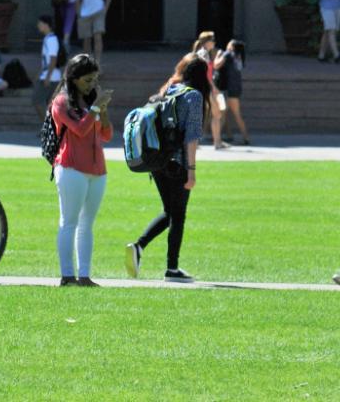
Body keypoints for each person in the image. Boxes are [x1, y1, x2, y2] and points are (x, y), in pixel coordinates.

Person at [125, 53, 209, 284]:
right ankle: (171, 268)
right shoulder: (193, 96)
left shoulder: (167, 90)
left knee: (169, 211)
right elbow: (191, 137)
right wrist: (191, 171)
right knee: (178, 215)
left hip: (158, 162)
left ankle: (139, 246)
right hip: (178, 163)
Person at [48, 54, 113, 287]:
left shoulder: (91, 101)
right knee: (69, 222)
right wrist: (96, 107)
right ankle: (67, 276)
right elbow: (80, 129)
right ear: (74, 79)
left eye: (95, 79)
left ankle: (84, 276)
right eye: (88, 80)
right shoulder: (61, 102)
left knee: (87, 224)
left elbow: (106, 135)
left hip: (98, 170)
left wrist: (102, 110)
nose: (92, 84)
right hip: (71, 168)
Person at [192, 31, 229, 150]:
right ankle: (215, 142)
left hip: (204, 87)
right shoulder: (203, 54)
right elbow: (205, 74)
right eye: (212, 40)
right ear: (207, 42)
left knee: (214, 114)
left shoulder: (203, 53)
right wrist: (214, 87)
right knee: (214, 114)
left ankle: (216, 142)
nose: (214, 42)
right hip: (205, 88)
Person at [214, 39, 250, 145]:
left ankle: (245, 137)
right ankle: (226, 136)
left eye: (229, 43)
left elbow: (216, 65)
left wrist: (218, 55)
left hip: (229, 89)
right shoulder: (238, 57)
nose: (227, 45)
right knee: (224, 113)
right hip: (235, 88)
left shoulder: (228, 54)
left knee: (234, 114)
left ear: (232, 46)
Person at [32, 16, 63, 119]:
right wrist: (41, 73)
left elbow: (53, 59)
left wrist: (48, 77)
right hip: (50, 75)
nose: (38, 26)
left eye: (40, 24)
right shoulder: (48, 38)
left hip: (52, 76)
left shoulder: (51, 39)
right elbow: (46, 60)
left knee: (37, 100)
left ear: (46, 25)